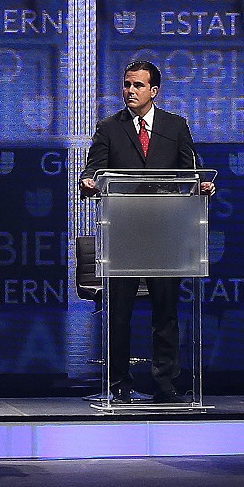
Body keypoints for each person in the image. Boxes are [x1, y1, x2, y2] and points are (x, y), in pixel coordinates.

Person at [78, 59, 211, 401]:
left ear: (154, 91)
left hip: (165, 233)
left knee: (165, 312)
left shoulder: (175, 126)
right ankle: (118, 382)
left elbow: (191, 172)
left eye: (137, 85)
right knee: (119, 313)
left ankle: (165, 383)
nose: (130, 91)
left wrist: (202, 186)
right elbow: (92, 171)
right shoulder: (109, 127)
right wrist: (88, 182)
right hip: (123, 233)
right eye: (126, 84)